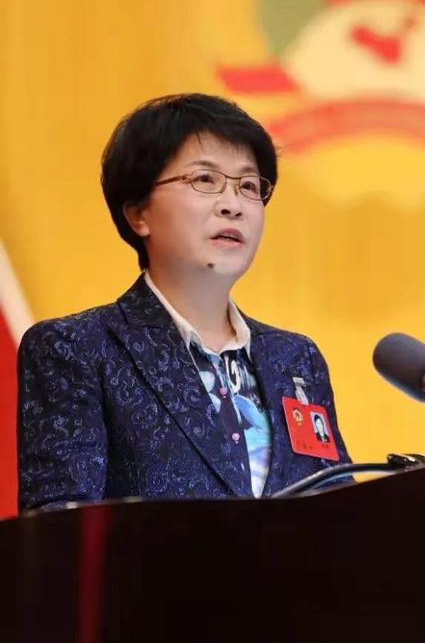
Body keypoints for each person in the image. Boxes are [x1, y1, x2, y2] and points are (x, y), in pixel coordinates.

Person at [17, 93, 350, 510]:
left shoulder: (296, 359)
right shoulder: (78, 349)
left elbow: (341, 511)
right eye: (205, 180)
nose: (233, 205)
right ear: (139, 213)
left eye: (248, 186)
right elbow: (61, 530)